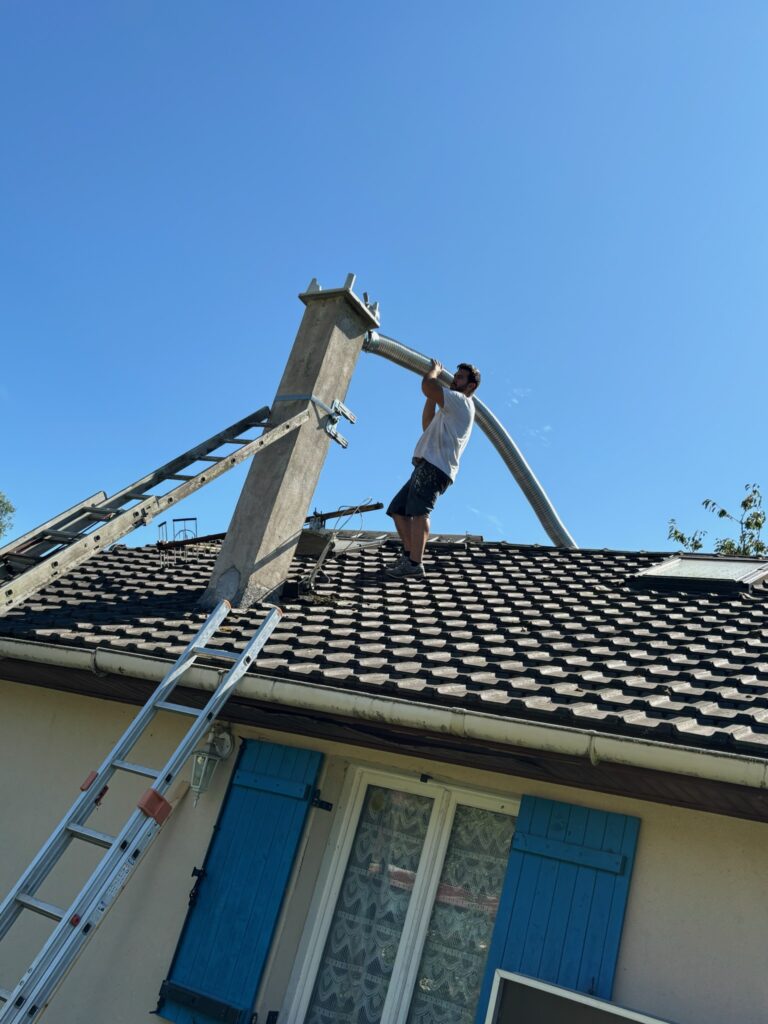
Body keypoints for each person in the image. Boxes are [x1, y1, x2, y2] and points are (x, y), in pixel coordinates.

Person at [385, 359, 480, 578]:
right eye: (455, 376)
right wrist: (433, 395)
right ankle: (409, 556)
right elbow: (427, 424)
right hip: (428, 464)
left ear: (471, 386)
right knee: (398, 510)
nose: (455, 380)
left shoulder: (462, 402)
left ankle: (415, 563)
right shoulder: (449, 412)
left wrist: (434, 372)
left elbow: (427, 386)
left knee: (420, 511)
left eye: (460, 377)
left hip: (436, 466)